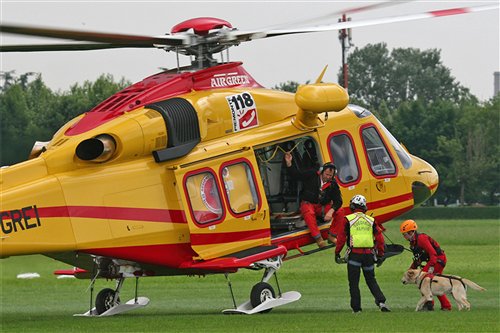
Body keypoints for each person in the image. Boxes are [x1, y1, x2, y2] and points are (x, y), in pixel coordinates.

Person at [335, 194, 390, 313]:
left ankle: (357, 309)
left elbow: (341, 238)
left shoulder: (347, 220)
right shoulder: (371, 220)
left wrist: (337, 252)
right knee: (371, 280)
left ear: (352, 206)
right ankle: (381, 302)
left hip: (354, 255)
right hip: (369, 255)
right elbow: (380, 239)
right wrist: (380, 254)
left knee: (354, 283)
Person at [284, 152, 343, 248]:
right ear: (322, 172)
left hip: (321, 207)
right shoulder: (311, 174)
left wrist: (331, 211)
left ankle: (332, 235)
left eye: (330, 176)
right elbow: (296, 175)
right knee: (309, 212)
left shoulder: (333, 184)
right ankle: (318, 239)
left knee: (340, 211)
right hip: (309, 204)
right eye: (326, 174)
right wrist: (289, 163)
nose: (327, 177)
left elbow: (338, 201)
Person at [400, 219, 452, 311]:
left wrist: (424, 271)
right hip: (433, 260)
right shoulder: (413, 242)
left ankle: (434, 305)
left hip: (438, 260)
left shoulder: (422, 239)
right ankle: (440, 305)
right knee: (429, 283)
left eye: (405, 234)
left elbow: (433, 255)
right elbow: (418, 259)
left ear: (412, 232)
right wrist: (411, 270)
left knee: (426, 282)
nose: (404, 237)